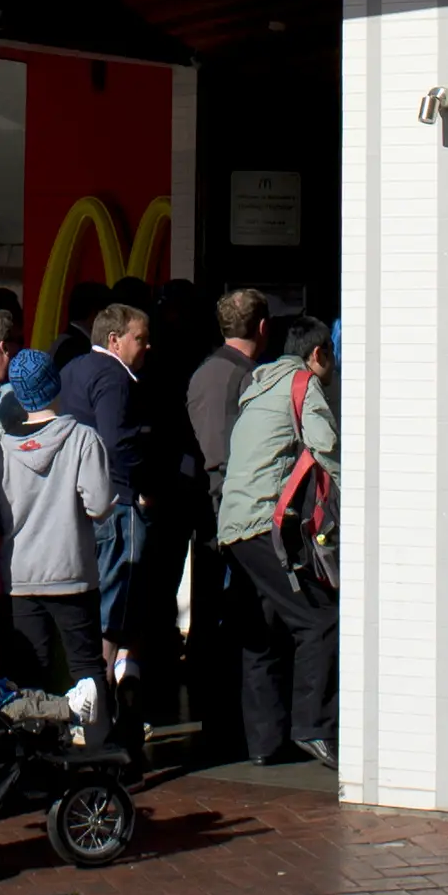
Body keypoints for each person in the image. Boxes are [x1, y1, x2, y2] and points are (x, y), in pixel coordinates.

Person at [219, 316, 339, 767]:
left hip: (233, 524)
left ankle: (266, 743)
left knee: (263, 631)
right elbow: (327, 449)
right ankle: (314, 728)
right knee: (319, 620)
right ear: (318, 354)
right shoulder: (303, 383)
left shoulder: (259, 385)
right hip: (263, 523)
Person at [0, 345, 116, 725]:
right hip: (71, 572)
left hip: (20, 576)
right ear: (55, 385)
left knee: (31, 675)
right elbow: (99, 505)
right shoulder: (82, 439)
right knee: (86, 668)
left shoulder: (2, 449)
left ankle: (37, 757)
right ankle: (98, 751)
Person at [181, 288, 263, 752]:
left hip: (209, 501)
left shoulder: (204, 371)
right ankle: (224, 709)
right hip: (230, 504)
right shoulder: (247, 378)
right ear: (263, 328)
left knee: (212, 602)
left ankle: (211, 701)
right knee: (230, 607)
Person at [59, 302, 151, 695]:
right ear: (114, 340)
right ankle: (102, 687)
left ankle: (86, 688)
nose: (147, 347)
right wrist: (139, 488)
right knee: (118, 594)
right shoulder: (114, 377)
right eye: (140, 339)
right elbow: (116, 442)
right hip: (117, 499)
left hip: (79, 498)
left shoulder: (72, 370)